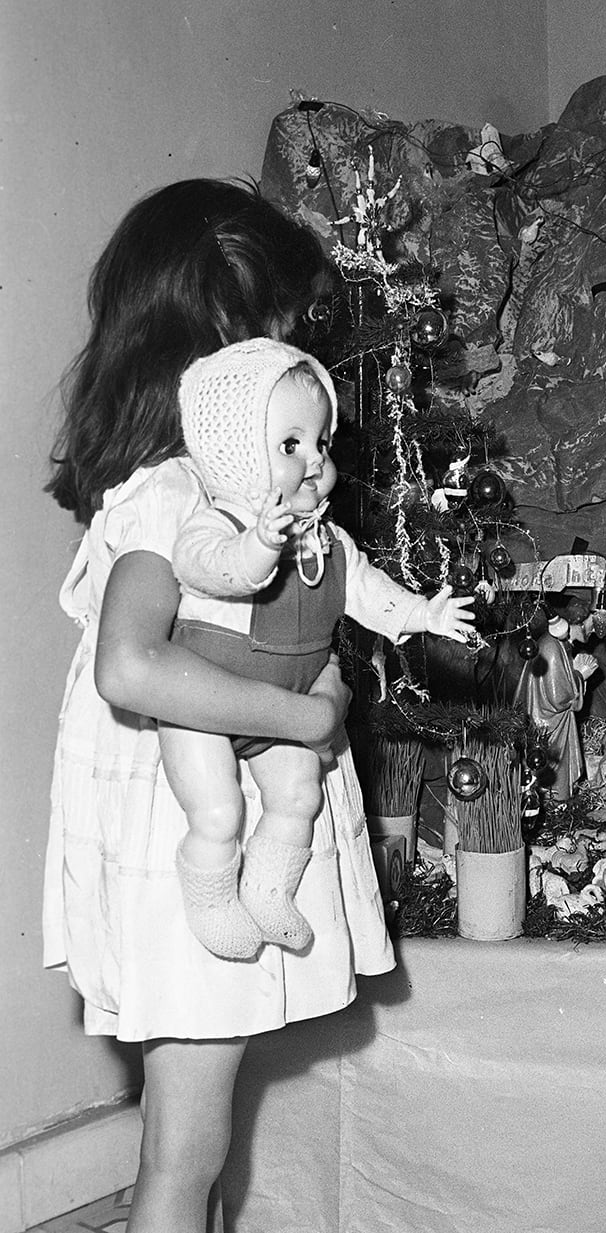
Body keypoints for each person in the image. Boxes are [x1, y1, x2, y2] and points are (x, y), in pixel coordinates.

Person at [43, 178, 387, 1233]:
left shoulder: (225, 498)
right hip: (192, 825)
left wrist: (319, 670)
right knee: (185, 1152)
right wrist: (307, 722)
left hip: (218, 803)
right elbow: (131, 669)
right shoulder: (169, 498)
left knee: (198, 1138)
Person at [164, 338, 474, 959]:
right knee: (218, 812)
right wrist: (259, 544)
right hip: (203, 707)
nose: (313, 460)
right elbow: (208, 568)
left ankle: (268, 890)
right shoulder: (219, 523)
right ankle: (212, 900)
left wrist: (422, 612)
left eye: (321, 444)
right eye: (289, 445)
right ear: (233, 454)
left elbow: (366, 590)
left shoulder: (329, 541)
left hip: (282, 710)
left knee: (300, 792)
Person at [514, 615, 598, 799]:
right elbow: (558, 697)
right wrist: (580, 675)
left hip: (550, 721)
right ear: (575, 623)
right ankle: (554, 804)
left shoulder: (558, 644)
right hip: (548, 725)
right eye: (590, 624)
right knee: (552, 767)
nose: (592, 631)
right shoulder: (551, 647)